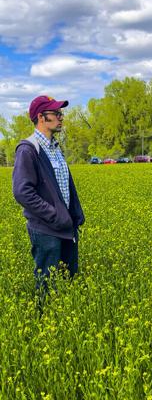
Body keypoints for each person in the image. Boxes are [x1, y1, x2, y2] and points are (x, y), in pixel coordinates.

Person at [12, 95, 84, 296]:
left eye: (61, 113)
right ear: (41, 117)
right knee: (47, 286)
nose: (61, 117)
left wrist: (75, 214)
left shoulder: (54, 148)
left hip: (67, 227)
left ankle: (64, 321)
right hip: (46, 230)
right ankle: (44, 320)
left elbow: (65, 185)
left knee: (68, 282)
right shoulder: (28, 149)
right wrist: (55, 215)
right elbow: (22, 191)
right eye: (57, 113)